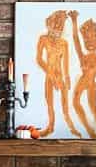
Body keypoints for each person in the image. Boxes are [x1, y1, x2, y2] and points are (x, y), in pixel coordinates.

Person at [35, 9, 82, 138]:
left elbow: (65, 64)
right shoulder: (43, 39)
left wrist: (67, 78)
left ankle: (72, 127)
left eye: (61, 27)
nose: (58, 30)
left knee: (65, 105)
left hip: (60, 76)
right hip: (49, 75)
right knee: (49, 103)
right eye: (56, 26)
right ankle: (50, 127)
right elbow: (39, 59)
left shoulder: (64, 43)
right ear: (49, 25)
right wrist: (50, 74)